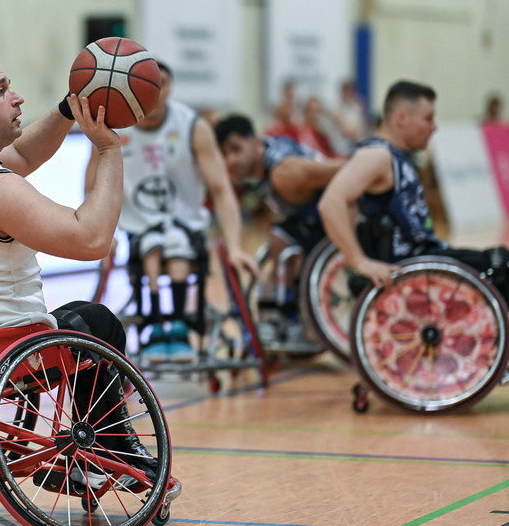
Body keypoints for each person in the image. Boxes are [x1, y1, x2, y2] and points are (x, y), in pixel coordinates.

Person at [0, 42, 155, 482]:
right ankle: (98, 457)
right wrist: (110, 152)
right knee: (99, 322)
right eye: (1, 90)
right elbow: (92, 237)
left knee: (82, 318)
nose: (17, 97)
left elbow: (20, 158)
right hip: (7, 350)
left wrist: (66, 110)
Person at [84, 62, 258, 363]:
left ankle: (178, 328)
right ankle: (153, 327)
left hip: (186, 225)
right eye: (145, 83)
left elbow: (221, 190)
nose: (153, 90)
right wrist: (98, 233)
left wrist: (235, 246)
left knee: (178, 246)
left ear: (170, 87)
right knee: (150, 248)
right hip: (137, 227)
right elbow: (91, 186)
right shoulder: (113, 126)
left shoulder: (193, 126)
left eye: (160, 82)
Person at [318, 80, 509, 300]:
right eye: (428, 119)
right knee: (501, 263)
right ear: (401, 118)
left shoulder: (398, 156)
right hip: (413, 265)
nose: (434, 127)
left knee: (499, 259)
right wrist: (360, 262)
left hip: (427, 256)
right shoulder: (377, 155)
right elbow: (331, 203)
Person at [215, 113, 345, 343]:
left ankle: (289, 317)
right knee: (278, 239)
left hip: (342, 222)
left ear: (255, 143)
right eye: (224, 154)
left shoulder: (283, 173)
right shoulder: (267, 166)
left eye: (235, 149)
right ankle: (279, 314)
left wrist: (367, 163)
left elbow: (342, 170)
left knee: (281, 243)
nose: (230, 161)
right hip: (316, 222)